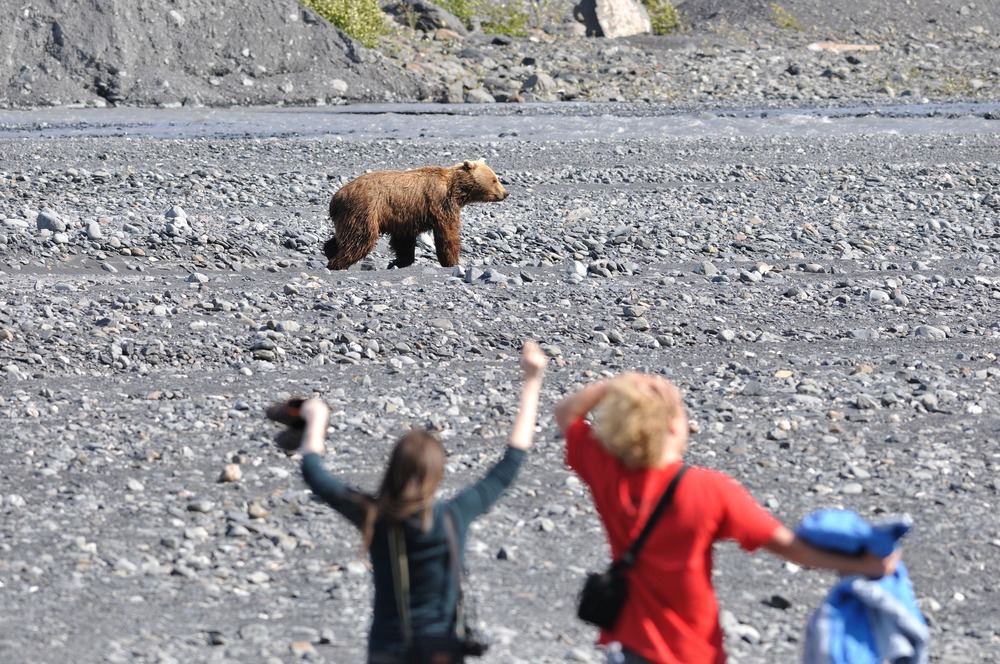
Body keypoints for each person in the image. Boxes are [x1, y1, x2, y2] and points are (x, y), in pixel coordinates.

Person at [554, 372, 900, 664]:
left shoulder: (607, 473)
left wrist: (618, 384)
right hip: (694, 648)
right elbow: (789, 548)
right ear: (676, 426)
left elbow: (567, 414)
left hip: (631, 641)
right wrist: (865, 565)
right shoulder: (710, 490)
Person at [290, 340, 547, 664]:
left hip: (387, 649)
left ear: (392, 469)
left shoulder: (372, 515)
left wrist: (316, 417)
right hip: (440, 650)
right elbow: (509, 463)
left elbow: (314, 472)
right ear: (436, 475)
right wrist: (532, 380)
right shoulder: (454, 515)